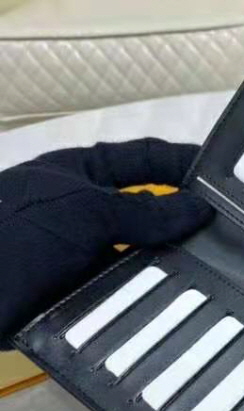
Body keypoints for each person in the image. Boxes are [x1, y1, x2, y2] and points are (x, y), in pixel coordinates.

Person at [0, 138, 214, 350]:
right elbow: (164, 217)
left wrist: (210, 164)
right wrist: (211, 195)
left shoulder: (39, 192)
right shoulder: (42, 197)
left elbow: (114, 163)